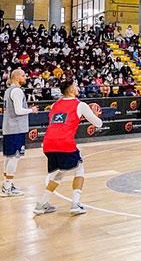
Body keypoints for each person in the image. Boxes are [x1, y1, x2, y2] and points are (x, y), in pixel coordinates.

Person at [34, 79, 103, 215]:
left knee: (58, 175)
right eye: (76, 86)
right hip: (64, 143)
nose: (78, 88)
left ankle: (41, 204)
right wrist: (95, 115)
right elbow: (98, 123)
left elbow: (61, 123)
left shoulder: (54, 105)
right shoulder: (80, 105)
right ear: (71, 90)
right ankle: (75, 204)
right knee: (79, 169)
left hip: (48, 143)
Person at [0, 68, 38, 197]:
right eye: (23, 75)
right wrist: (31, 110)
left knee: (9, 157)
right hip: (15, 128)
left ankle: (7, 184)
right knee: (14, 157)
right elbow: (18, 111)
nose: (25, 77)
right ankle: (6, 188)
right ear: (16, 77)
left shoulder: (8, 90)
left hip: (9, 128)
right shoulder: (17, 91)